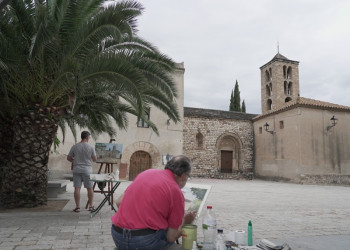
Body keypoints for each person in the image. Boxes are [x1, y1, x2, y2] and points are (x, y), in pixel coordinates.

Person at [111, 155, 196, 250]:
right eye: (188, 177)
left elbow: (119, 202)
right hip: (144, 241)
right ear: (183, 176)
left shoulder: (146, 173)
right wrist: (186, 221)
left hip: (118, 236)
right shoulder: (176, 191)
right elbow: (171, 237)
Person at [67, 131, 97, 212]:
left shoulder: (75, 147)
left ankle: (77, 207)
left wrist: (75, 160)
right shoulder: (91, 147)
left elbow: (69, 158)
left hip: (76, 169)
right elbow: (95, 159)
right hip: (87, 169)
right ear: (87, 138)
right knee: (90, 188)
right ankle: (91, 206)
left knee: (77, 188)